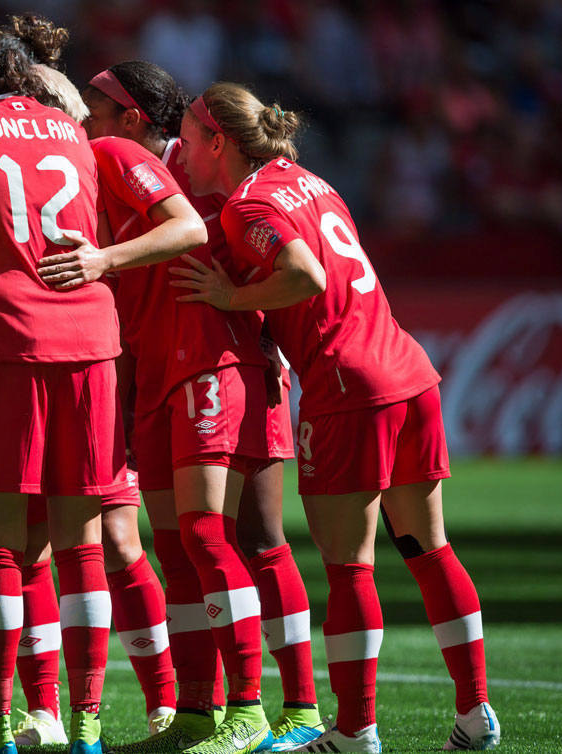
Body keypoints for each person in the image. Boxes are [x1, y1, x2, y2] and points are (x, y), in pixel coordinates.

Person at [170, 81, 498, 753]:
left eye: (187, 135)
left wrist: (233, 296)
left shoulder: (246, 205)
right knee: (426, 546)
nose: (182, 152)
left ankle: (355, 730)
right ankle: (475, 713)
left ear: (218, 143)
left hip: (348, 385)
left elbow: (303, 275)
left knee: (350, 567)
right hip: (409, 370)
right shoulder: (308, 180)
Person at [59, 61, 322, 752]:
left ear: (132, 119)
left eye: (95, 109)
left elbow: (281, 248)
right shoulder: (109, 170)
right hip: (158, 373)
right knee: (179, 547)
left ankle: (289, 707)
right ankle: (199, 711)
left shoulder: (198, 165)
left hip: (223, 364)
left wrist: (264, 329)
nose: (84, 123)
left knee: (253, 536)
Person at [0, 16, 125, 754]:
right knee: (81, 547)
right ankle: (85, 724)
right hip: (92, 340)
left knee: (1, 548)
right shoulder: (71, 127)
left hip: (6, 337)